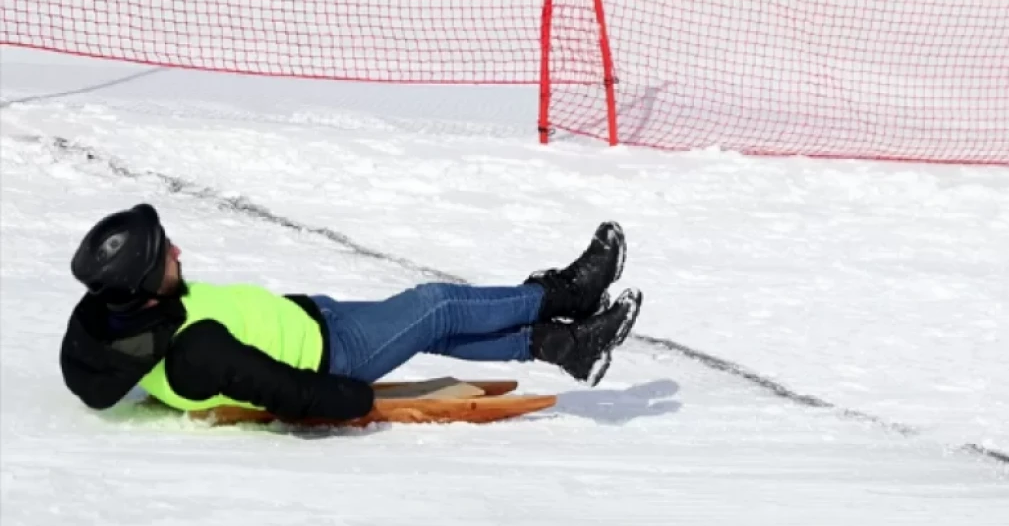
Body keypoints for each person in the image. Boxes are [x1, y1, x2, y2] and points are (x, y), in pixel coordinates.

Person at [59, 203, 642, 425]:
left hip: (314, 318)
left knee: (431, 330)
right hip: (337, 354)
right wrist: (362, 404)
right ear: (143, 283)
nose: (178, 252)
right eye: (165, 254)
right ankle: (567, 294)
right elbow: (286, 391)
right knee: (433, 309)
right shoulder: (193, 350)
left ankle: (561, 347)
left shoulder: (118, 315)